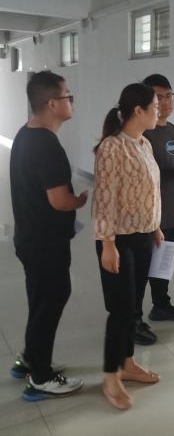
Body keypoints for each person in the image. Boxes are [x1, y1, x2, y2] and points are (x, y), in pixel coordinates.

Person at [10, 70, 87, 401]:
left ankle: (30, 358)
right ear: (52, 104)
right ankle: (40, 377)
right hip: (45, 242)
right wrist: (79, 201)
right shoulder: (47, 145)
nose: (72, 101)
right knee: (52, 299)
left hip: (29, 238)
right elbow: (59, 201)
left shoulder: (26, 134)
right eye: (68, 96)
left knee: (40, 300)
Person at [92, 83, 163, 410]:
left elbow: (150, 189)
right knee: (120, 310)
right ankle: (111, 376)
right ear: (138, 111)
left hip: (142, 235)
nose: (159, 111)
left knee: (133, 307)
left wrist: (155, 225)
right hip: (118, 239)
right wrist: (107, 244)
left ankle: (127, 363)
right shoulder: (112, 147)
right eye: (155, 106)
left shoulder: (144, 143)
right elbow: (104, 199)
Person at [139, 74, 174, 338]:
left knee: (165, 262)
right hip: (152, 213)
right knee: (144, 265)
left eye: (169, 95)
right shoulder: (142, 133)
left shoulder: (171, 129)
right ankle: (133, 318)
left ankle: (161, 305)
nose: (165, 102)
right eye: (158, 97)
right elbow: (141, 172)